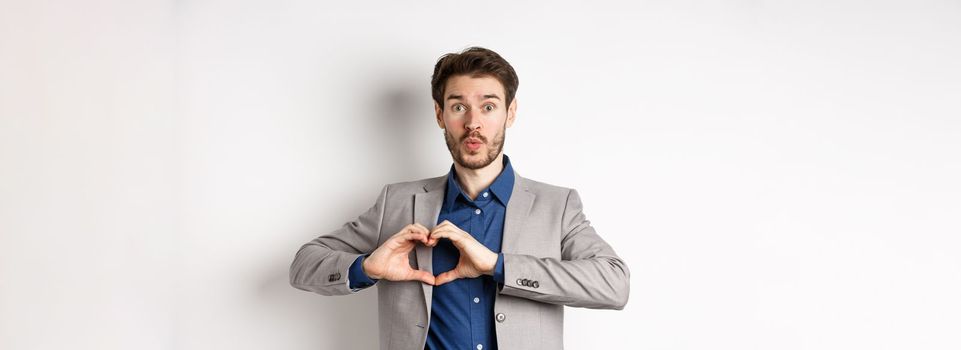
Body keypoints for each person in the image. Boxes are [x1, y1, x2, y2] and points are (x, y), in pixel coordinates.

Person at [289, 47, 630, 350]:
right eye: (458, 107)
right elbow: (304, 264)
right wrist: (365, 267)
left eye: (488, 106)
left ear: (510, 113)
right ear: (440, 115)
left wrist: (498, 266)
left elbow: (614, 284)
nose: (473, 123)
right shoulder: (397, 202)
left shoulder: (557, 206)